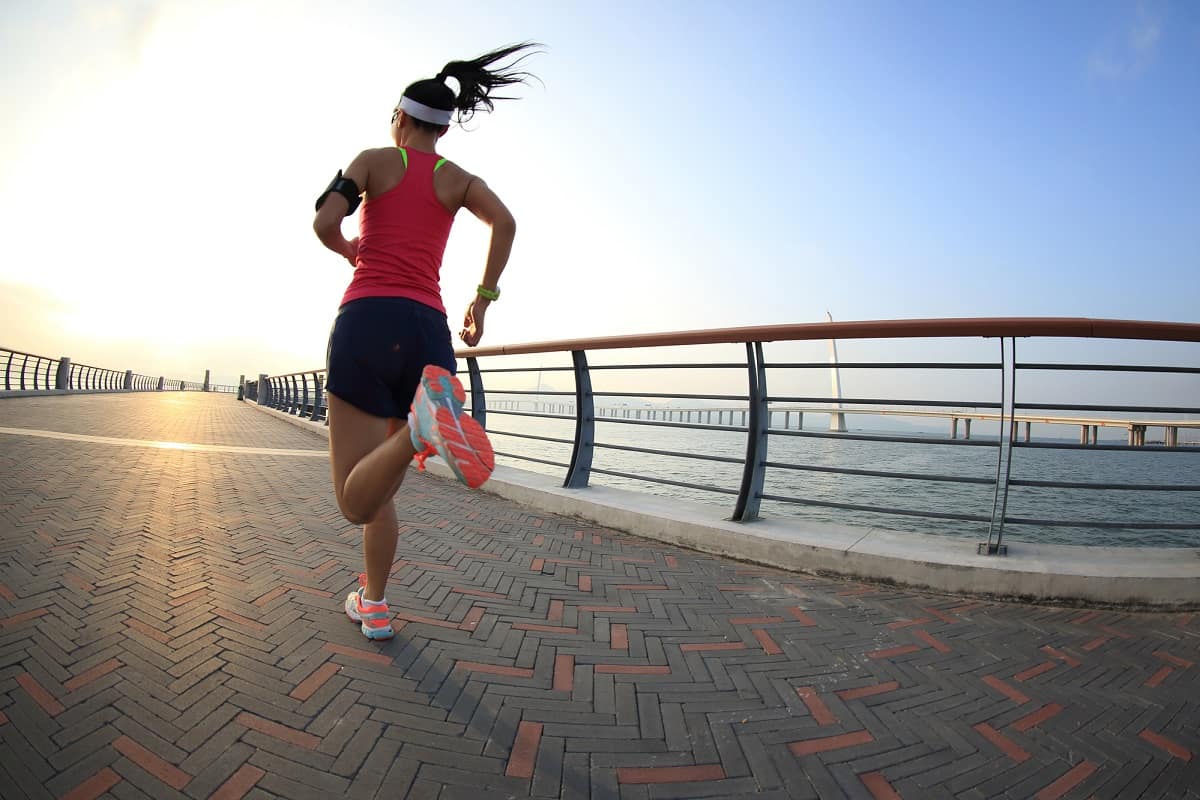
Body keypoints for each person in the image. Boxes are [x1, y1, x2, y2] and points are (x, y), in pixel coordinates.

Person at [312, 43, 540, 640]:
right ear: (440, 128)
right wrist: (482, 300)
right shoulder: (457, 178)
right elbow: (508, 223)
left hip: (367, 321)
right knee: (382, 480)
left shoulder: (372, 160)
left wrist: (348, 249)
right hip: (427, 335)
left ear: (401, 119)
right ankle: (375, 601)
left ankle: (421, 426)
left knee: (354, 500)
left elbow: (323, 222)